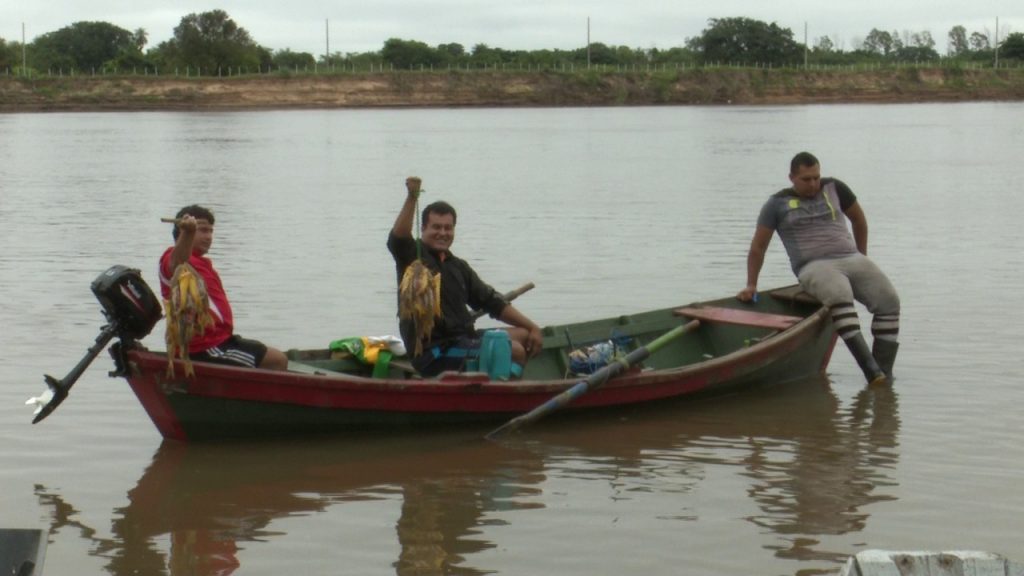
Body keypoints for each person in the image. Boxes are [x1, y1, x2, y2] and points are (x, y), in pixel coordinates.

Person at [737, 152, 900, 384]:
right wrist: (751, 284)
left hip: (851, 257)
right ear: (792, 178)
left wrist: (862, 257)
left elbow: (859, 221)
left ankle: (885, 373)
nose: (813, 184)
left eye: (816, 177)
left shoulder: (835, 188)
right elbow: (758, 248)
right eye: (806, 179)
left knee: (889, 301)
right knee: (840, 297)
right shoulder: (776, 204)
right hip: (814, 265)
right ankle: (872, 373)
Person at [388, 177, 544, 377]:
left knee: (524, 335)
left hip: (462, 339)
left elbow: (492, 302)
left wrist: (533, 327)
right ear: (424, 228)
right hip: (435, 352)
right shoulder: (412, 257)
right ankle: (503, 390)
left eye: (448, 228)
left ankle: (498, 384)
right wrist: (412, 197)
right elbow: (398, 237)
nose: (442, 233)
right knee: (514, 350)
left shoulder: (458, 266)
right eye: (436, 227)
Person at [159, 205, 289, 370]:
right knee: (277, 360)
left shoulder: (203, 264)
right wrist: (188, 233)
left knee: (268, 354)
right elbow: (176, 263)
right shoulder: (173, 259)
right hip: (202, 348)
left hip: (220, 341)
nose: (208, 237)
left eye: (210, 231)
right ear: (182, 231)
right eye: (202, 230)